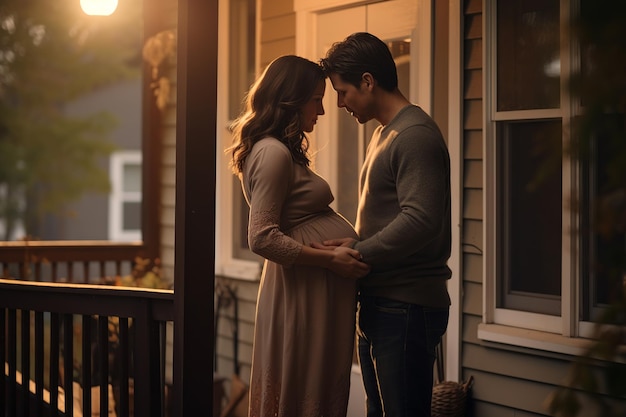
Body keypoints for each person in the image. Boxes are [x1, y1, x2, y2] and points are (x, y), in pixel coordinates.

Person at [227, 55, 370, 417]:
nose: (321, 110)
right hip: (301, 293)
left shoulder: (278, 150)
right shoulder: (273, 153)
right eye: (316, 99)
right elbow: (261, 237)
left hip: (308, 289)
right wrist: (330, 259)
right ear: (290, 99)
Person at [317, 32, 452, 417]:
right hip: (381, 301)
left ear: (368, 81)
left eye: (342, 92)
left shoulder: (414, 135)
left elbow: (421, 219)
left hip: (405, 306)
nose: (340, 103)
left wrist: (357, 252)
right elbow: (393, 215)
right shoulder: (383, 133)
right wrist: (350, 241)